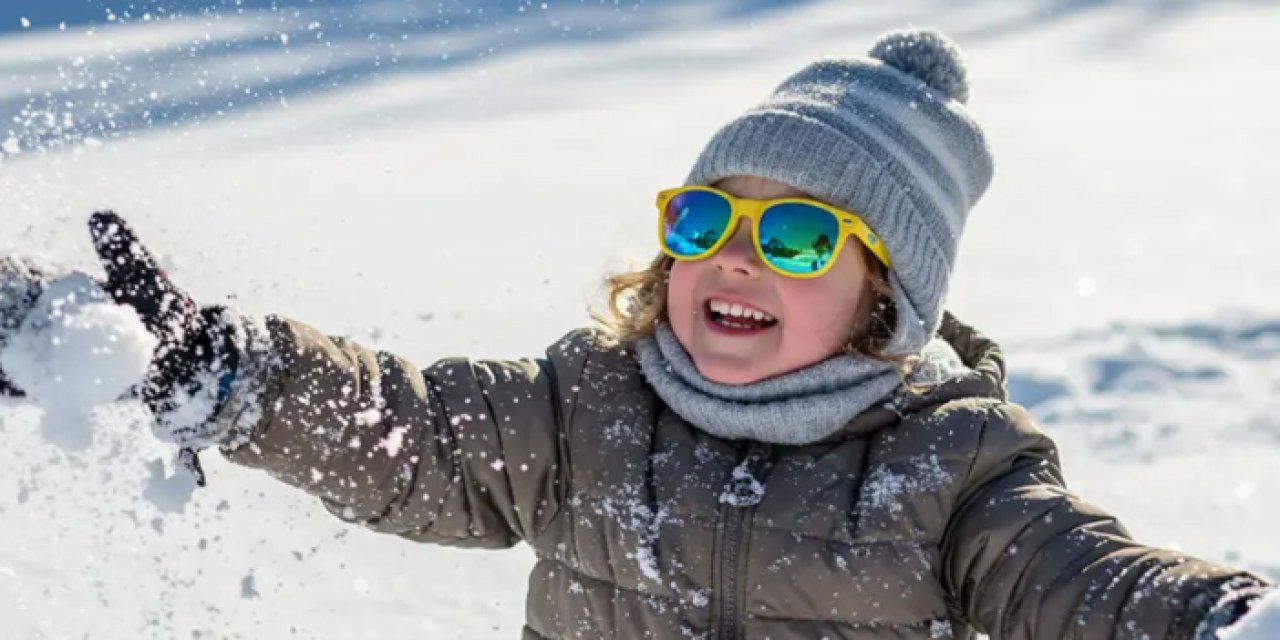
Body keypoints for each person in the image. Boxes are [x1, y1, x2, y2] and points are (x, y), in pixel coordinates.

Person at [1, 29, 1271, 640]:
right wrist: (221, 368)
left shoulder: (952, 466)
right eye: (706, 218)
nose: (734, 257)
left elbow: (1083, 581)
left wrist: (1223, 621)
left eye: (795, 236)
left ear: (884, 297)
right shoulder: (588, 407)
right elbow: (406, 431)